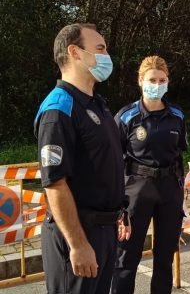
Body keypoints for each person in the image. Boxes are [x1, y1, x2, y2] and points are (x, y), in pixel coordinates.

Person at [34, 23, 131, 294]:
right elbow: (54, 184)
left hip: (104, 231)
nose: (106, 55)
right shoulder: (59, 109)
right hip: (78, 233)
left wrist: (120, 211)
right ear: (75, 52)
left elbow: (104, 166)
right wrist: (77, 244)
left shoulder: (97, 104)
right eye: (100, 49)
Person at [111, 55, 187, 294]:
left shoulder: (177, 115)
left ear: (168, 82)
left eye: (161, 80)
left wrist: (182, 190)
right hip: (136, 190)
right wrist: (118, 202)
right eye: (152, 79)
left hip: (169, 190)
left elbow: (178, 154)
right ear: (141, 80)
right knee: (126, 256)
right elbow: (113, 160)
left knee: (165, 255)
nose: (157, 85)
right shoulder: (126, 117)